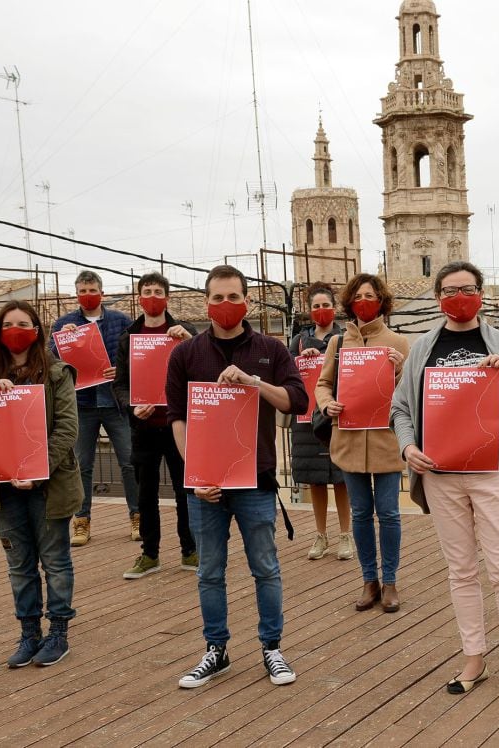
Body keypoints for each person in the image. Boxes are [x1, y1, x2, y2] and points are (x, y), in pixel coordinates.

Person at [392, 261, 499, 701]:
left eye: (469, 288)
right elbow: (401, 408)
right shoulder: (422, 347)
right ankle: (473, 657)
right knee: (460, 572)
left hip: (492, 471)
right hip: (441, 475)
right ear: (438, 296)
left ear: (480, 292)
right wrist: (407, 448)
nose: (459, 296)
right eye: (450, 290)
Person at [166, 265, 309, 689]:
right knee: (209, 571)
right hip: (205, 486)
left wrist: (252, 382)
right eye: (217, 298)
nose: (224, 306)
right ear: (205, 302)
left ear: (246, 300)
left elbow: (295, 401)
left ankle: (272, 648)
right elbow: (177, 419)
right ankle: (217, 650)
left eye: (233, 297)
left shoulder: (271, 349)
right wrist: (195, 473)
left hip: (256, 480)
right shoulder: (186, 354)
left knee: (264, 567)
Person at [0, 301, 83, 667]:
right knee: (20, 565)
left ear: (36, 330)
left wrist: (37, 468)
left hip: (49, 486)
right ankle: (29, 633)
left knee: (56, 560)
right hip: (2, 488)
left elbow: (67, 430)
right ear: (0, 332)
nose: (17, 330)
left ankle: (58, 633)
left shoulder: (58, 372)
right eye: (9, 324)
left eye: (24, 324)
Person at [316, 273, 409, 612]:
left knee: (388, 513)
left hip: (385, 441)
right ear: (350, 302)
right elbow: (323, 384)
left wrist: (400, 370)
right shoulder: (338, 343)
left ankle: (390, 582)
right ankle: (368, 581)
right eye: (358, 295)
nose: (364, 301)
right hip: (349, 441)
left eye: (370, 295)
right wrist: (327, 403)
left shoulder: (398, 343)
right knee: (359, 513)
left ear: (382, 301)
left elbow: (409, 394)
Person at [112, 272, 198, 579]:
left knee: (184, 491)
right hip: (144, 428)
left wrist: (189, 340)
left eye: (158, 291)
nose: (152, 296)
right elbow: (120, 384)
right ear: (139, 298)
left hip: (179, 425)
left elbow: (203, 364)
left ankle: (190, 550)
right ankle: (150, 554)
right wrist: (132, 407)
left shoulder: (184, 331)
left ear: (167, 297)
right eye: (147, 291)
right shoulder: (129, 338)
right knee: (145, 494)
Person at [50, 270, 139, 546]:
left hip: (115, 403)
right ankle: (81, 521)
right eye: (82, 291)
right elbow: (49, 361)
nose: (87, 295)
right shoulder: (63, 324)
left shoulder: (122, 321)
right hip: (82, 404)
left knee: (129, 462)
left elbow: (137, 354)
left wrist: (121, 370)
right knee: (82, 466)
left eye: (92, 290)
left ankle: (138, 516)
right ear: (75, 294)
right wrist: (58, 343)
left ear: (102, 292)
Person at [289, 282, 353, 562]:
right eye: (316, 306)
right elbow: (287, 374)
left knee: (341, 478)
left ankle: (345, 535)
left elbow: (354, 371)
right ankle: (320, 535)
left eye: (326, 305)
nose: (322, 310)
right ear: (309, 309)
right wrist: (300, 359)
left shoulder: (346, 337)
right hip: (306, 419)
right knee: (315, 479)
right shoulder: (298, 340)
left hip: (339, 414)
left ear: (334, 307)